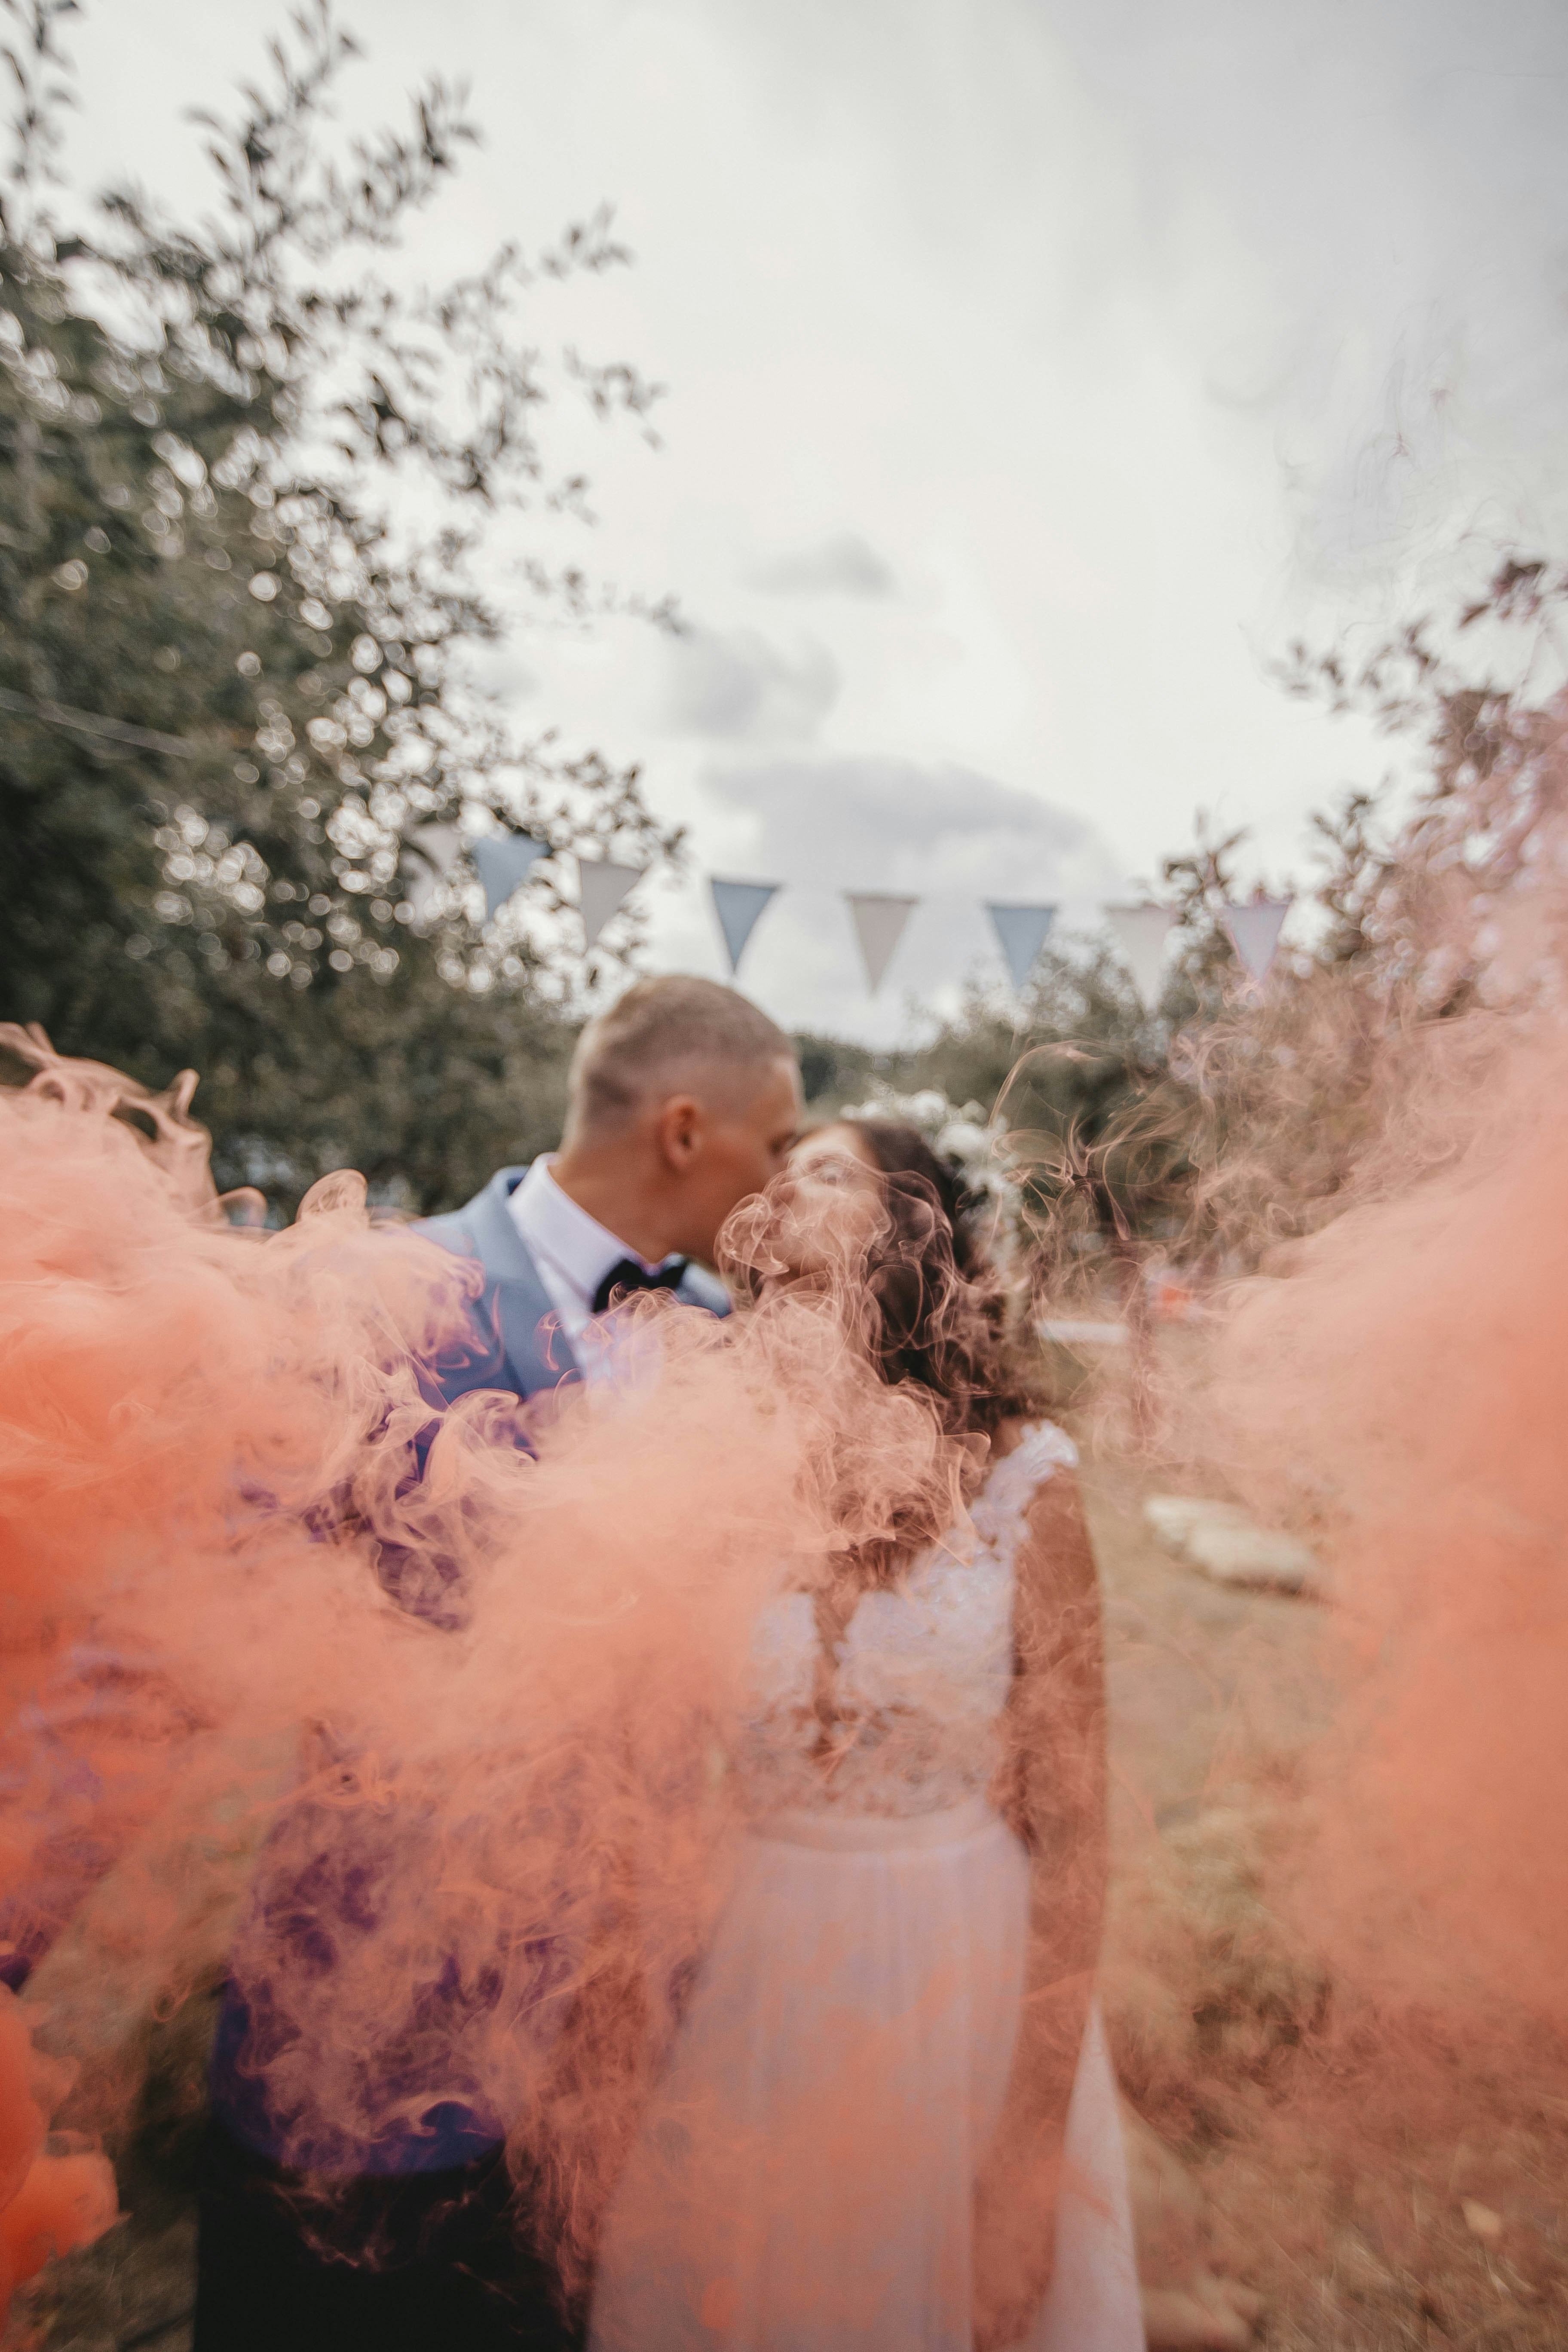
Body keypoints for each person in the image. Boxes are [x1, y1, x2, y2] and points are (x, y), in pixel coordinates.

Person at [193, 976, 803, 2352]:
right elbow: (183, 1635)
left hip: (601, 2081)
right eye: (779, 1142)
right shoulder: (374, 1302)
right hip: (356, 2047)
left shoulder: (726, 1348)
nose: (786, 1184)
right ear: (688, 1130)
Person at [588, 1117, 1144, 2352]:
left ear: (917, 1230)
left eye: (825, 1172)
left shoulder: (1023, 1485)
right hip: (754, 1978)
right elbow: (656, 1776)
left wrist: (1031, 2147)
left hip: (964, 1977)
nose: (779, 1194)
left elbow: (1076, 1832)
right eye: (776, 1178)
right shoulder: (723, 1469)